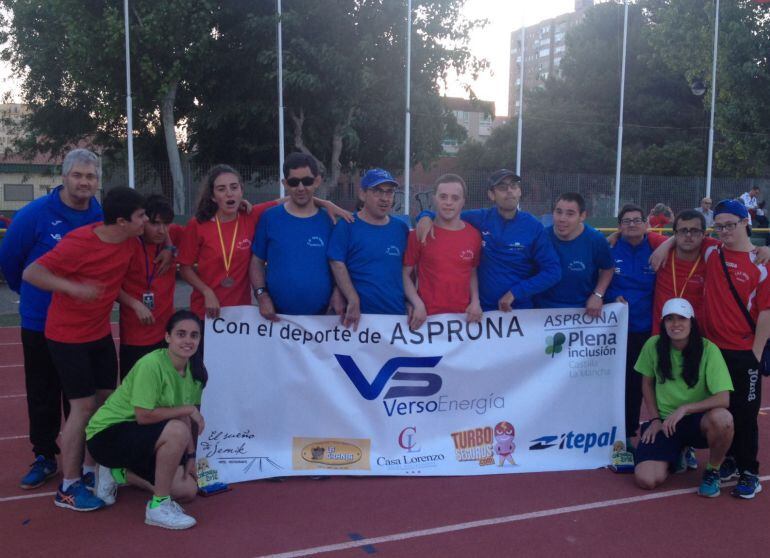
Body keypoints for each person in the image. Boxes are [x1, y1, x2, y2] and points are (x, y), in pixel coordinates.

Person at [22, 187, 148, 511]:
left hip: (98, 334)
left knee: (106, 402)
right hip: (66, 336)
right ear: (121, 221)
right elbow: (32, 272)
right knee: (82, 407)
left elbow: (113, 283)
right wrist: (73, 288)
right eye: (141, 216)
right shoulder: (79, 243)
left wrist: (132, 302)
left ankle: (91, 470)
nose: (146, 221)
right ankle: (68, 485)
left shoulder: (130, 242)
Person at [0, 149, 103, 490]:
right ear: (64, 177)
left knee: (78, 395)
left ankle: (82, 459)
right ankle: (45, 456)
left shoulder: (100, 215)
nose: (84, 182)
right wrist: (33, 296)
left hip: (83, 325)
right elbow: (11, 260)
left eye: (90, 176)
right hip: (40, 321)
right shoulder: (34, 214)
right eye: (78, 175)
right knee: (42, 392)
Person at [86, 310, 205, 530]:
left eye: (194, 335)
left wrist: (190, 454)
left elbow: (182, 415)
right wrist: (189, 409)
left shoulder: (193, 372)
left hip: (142, 436)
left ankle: (118, 473)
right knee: (176, 430)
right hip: (107, 435)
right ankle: (158, 507)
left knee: (187, 490)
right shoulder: (151, 365)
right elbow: (143, 415)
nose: (188, 340)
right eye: (181, 334)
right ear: (168, 337)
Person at [701, 199, 770, 498]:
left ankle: (749, 471)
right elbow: (678, 236)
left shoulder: (761, 263)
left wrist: (755, 353)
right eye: (720, 225)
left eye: (731, 224)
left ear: (745, 222)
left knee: (745, 414)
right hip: (713, 352)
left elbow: (766, 313)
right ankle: (727, 460)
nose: (725, 230)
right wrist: (665, 246)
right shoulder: (710, 251)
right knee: (719, 409)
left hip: (744, 351)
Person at [416, 169, 561, 311]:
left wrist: (516, 293)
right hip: (482, 312)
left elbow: (553, 271)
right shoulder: (480, 218)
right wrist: (425, 216)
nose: (509, 191)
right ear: (492, 195)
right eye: (503, 187)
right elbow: (449, 213)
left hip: (519, 312)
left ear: (520, 191)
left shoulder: (533, 227)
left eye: (514, 186)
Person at [633, 298, 734, 497]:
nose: (676, 324)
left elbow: (723, 398)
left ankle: (712, 470)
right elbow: (646, 383)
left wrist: (685, 409)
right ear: (663, 323)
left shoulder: (708, 349)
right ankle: (678, 452)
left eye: (681, 318)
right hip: (665, 422)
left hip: (698, 420)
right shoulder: (653, 345)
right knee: (646, 480)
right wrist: (654, 419)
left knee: (723, 419)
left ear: (692, 322)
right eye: (669, 319)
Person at [249, 153, 343, 320]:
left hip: (324, 320)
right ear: (285, 184)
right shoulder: (270, 218)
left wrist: (338, 291)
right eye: (293, 182)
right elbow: (256, 262)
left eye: (307, 181)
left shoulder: (330, 221)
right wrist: (261, 295)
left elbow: (339, 264)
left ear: (317, 181)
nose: (301, 188)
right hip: (277, 318)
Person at [605, 204, 666, 448]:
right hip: (616, 331)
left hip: (648, 331)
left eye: (637, 220)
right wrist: (611, 298)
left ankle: (674, 438)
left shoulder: (657, 248)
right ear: (619, 226)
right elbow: (595, 282)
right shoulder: (608, 248)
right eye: (626, 221)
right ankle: (627, 435)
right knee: (625, 385)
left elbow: (689, 241)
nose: (632, 224)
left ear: (646, 224)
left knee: (654, 384)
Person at [328, 168, 409, 330]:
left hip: (396, 317)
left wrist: (411, 301)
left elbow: (408, 270)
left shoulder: (401, 228)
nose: (385, 198)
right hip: (356, 320)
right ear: (362, 194)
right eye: (378, 192)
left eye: (389, 192)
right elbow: (336, 263)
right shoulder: (347, 225)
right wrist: (352, 298)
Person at [402, 174, 482, 330]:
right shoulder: (420, 233)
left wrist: (475, 301)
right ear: (434, 198)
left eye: (455, 198)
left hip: (463, 319)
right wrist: (417, 303)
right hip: (427, 319)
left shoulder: (474, 235)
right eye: (443, 197)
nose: (448, 203)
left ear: (463, 202)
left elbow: (472, 272)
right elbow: (405, 274)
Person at [118, 195, 185, 378]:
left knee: (163, 394)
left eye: (166, 224)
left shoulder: (174, 235)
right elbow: (111, 285)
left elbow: (204, 224)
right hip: (134, 336)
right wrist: (135, 304)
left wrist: (170, 248)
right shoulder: (127, 243)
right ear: (143, 220)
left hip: (166, 336)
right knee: (134, 397)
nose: (161, 230)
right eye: (155, 223)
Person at [534, 192, 613, 316]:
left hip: (582, 313)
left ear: (582, 216)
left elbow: (608, 268)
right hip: (543, 312)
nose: (562, 218)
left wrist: (598, 294)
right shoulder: (541, 237)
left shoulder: (595, 239)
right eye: (558, 212)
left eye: (570, 214)